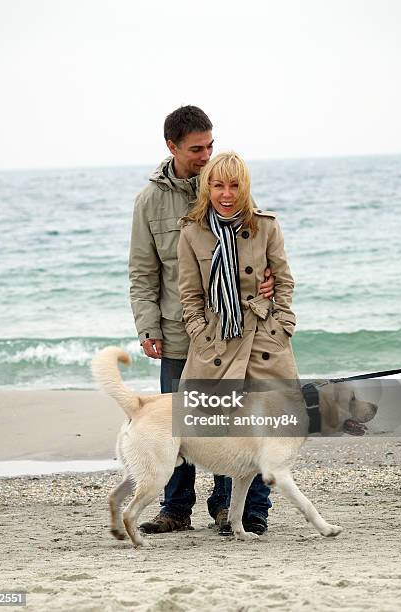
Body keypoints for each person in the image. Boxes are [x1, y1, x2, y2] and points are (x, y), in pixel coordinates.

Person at [129, 107, 274, 534]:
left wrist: (266, 281)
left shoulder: (224, 186)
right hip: (178, 331)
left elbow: (256, 244)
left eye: (210, 145)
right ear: (171, 147)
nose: (206, 155)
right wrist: (147, 327)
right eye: (197, 149)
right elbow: (142, 271)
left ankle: (228, 507)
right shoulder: (149, 202)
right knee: (181, 421)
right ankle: (175, 508)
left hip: (230, 334)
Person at [177, 151, 299, 535]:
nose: (226, 194)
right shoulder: (192, 231)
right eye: (218, 185)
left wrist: (282, 321)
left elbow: (284, 280)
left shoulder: (266, 226)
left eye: (234, 186)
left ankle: (254, 511)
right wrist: (199, 331)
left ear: (244, 188)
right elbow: (189, 295)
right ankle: (220, 508)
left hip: (263, 336)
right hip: (217, 341)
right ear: (207, 187)